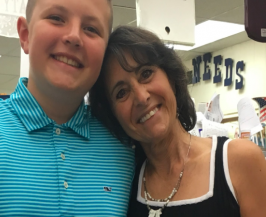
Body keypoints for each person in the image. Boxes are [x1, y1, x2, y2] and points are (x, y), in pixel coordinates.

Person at [0, 0, 134, 216]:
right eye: (56, 18)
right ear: (25, 35)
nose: (74, 36)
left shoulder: (127, 148)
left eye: (91, 29)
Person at [89, 26, 266, 217]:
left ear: (170, 77)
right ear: (113, 115)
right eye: (121, 93)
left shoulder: (237, 161)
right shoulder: (125, 184)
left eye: (146, 73)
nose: (141, 97)